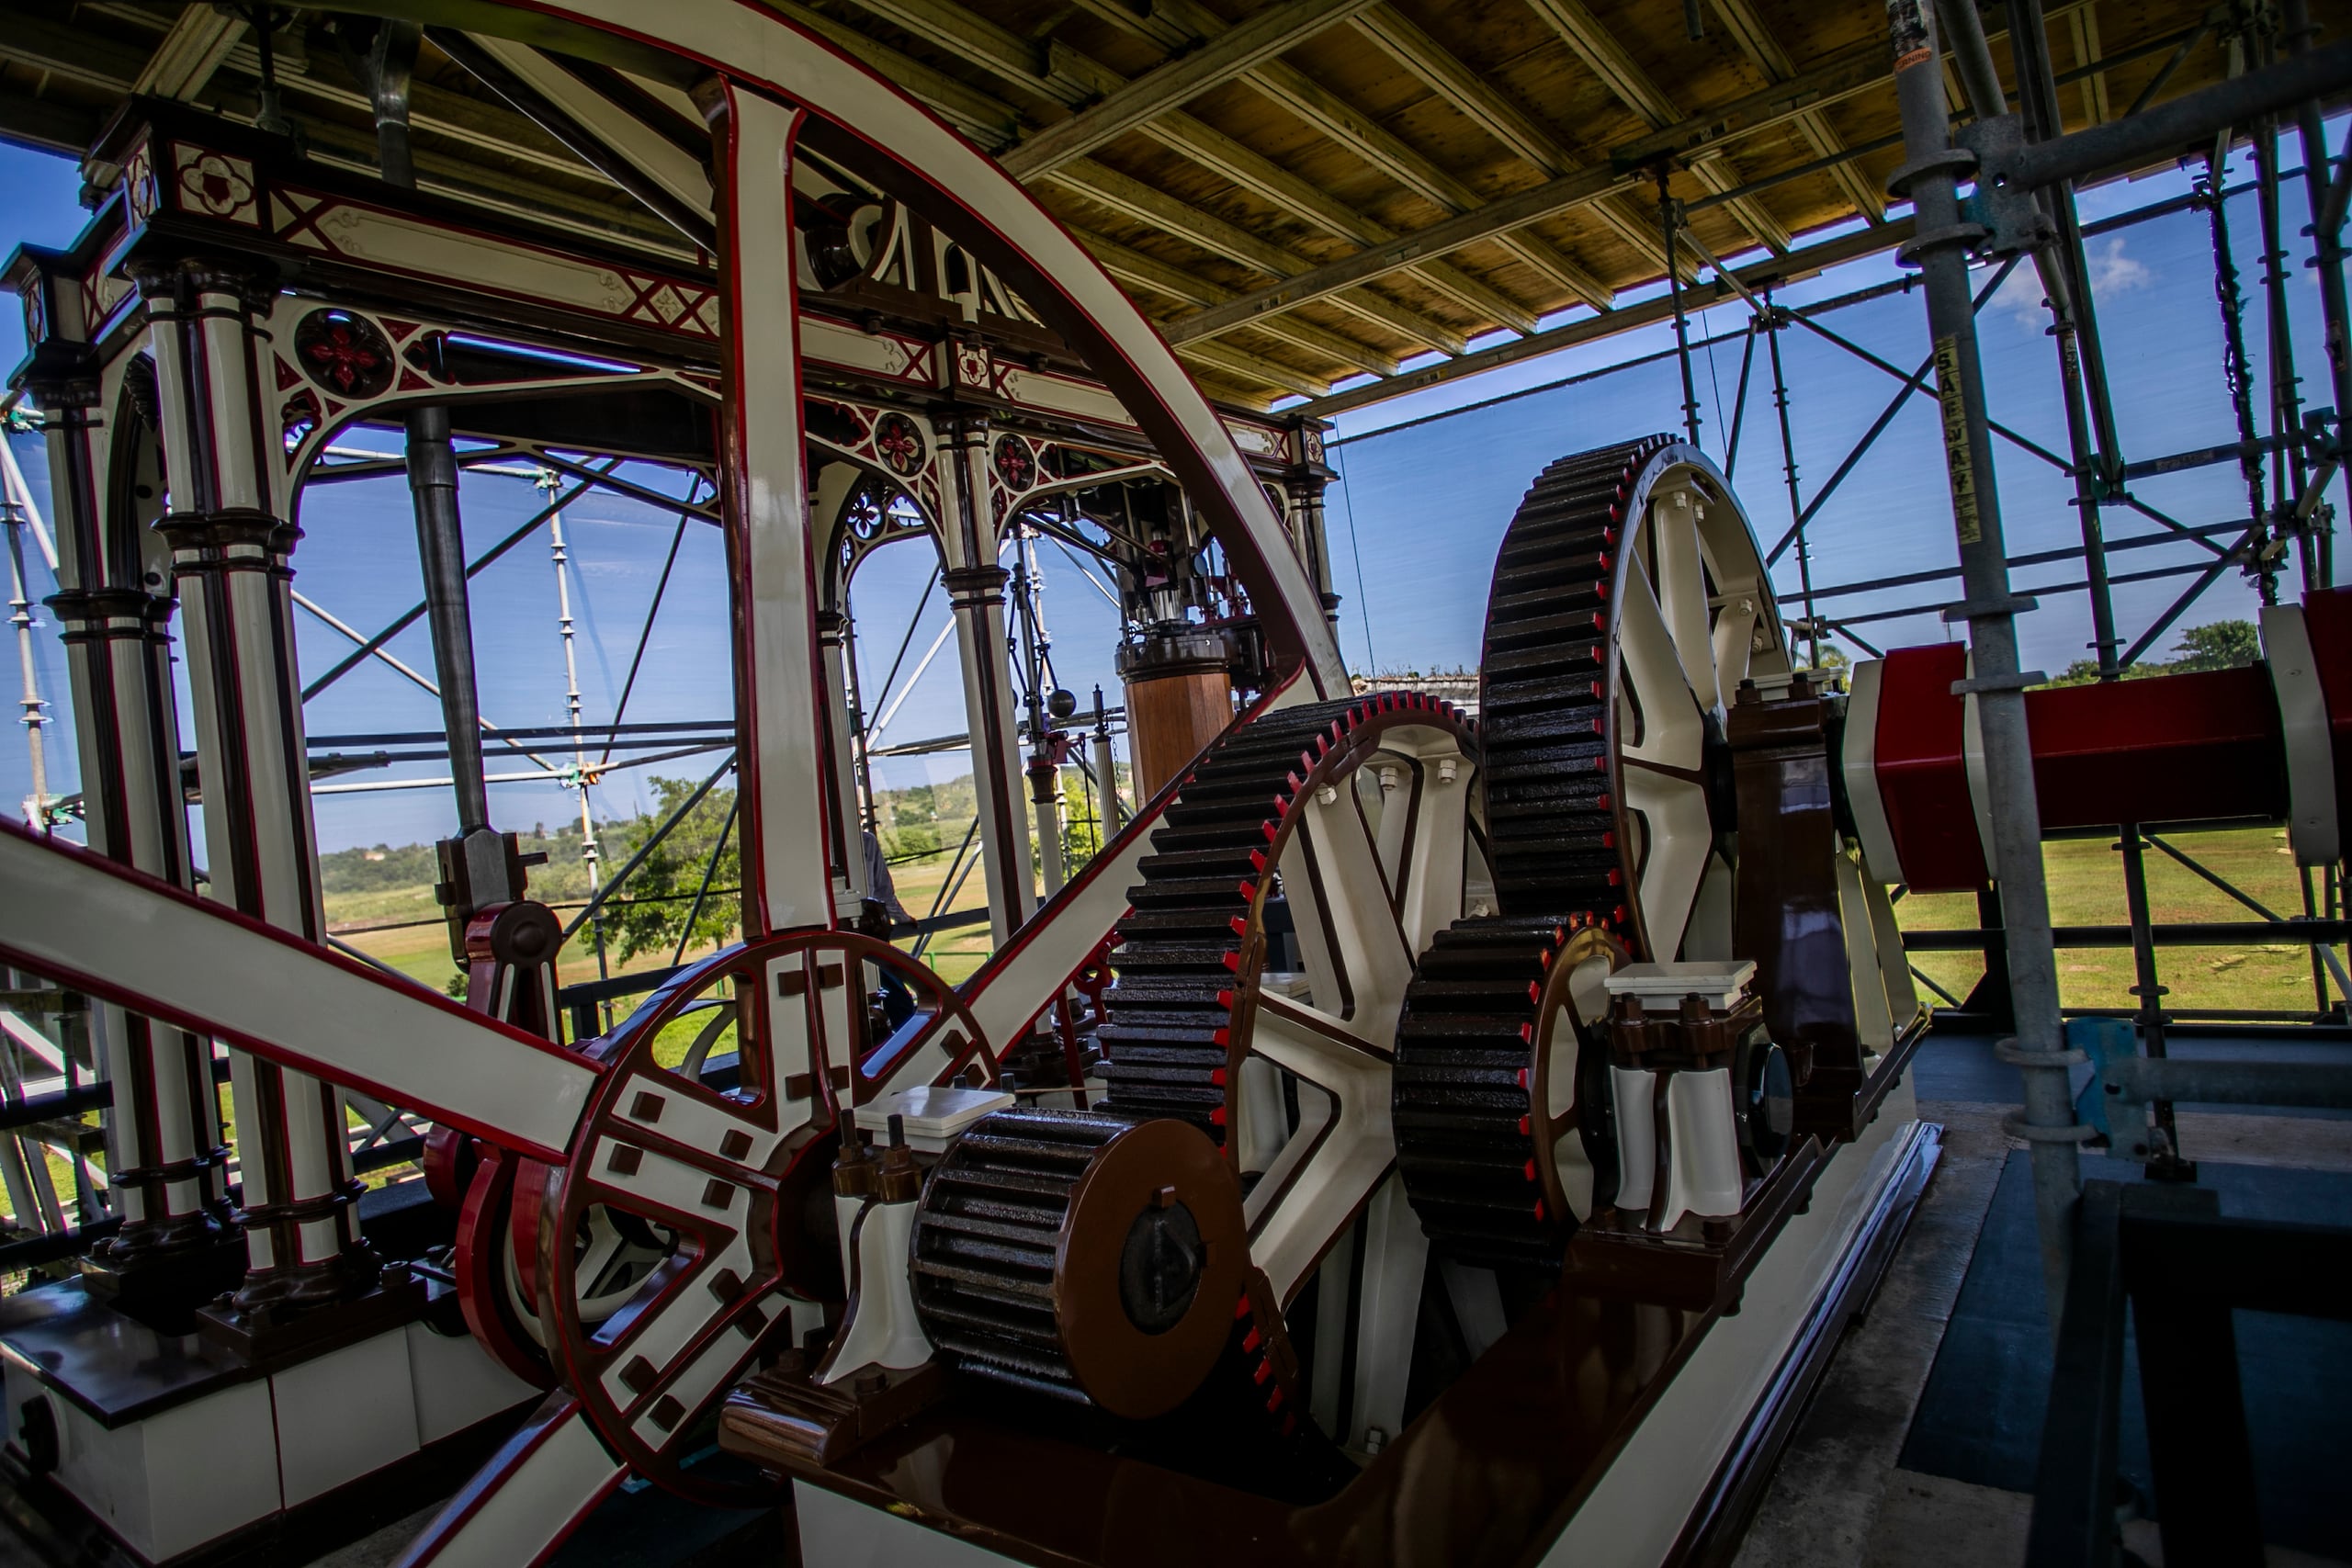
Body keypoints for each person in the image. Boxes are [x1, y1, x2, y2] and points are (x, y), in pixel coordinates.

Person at [859, 829, 916, 1030]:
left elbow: (883, 892)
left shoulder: (867, 841)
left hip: (871, 936)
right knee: (899, 1004)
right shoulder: (866, 841)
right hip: (867, 939)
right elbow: (884, 892)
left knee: (899, 1004)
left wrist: (902, 918)